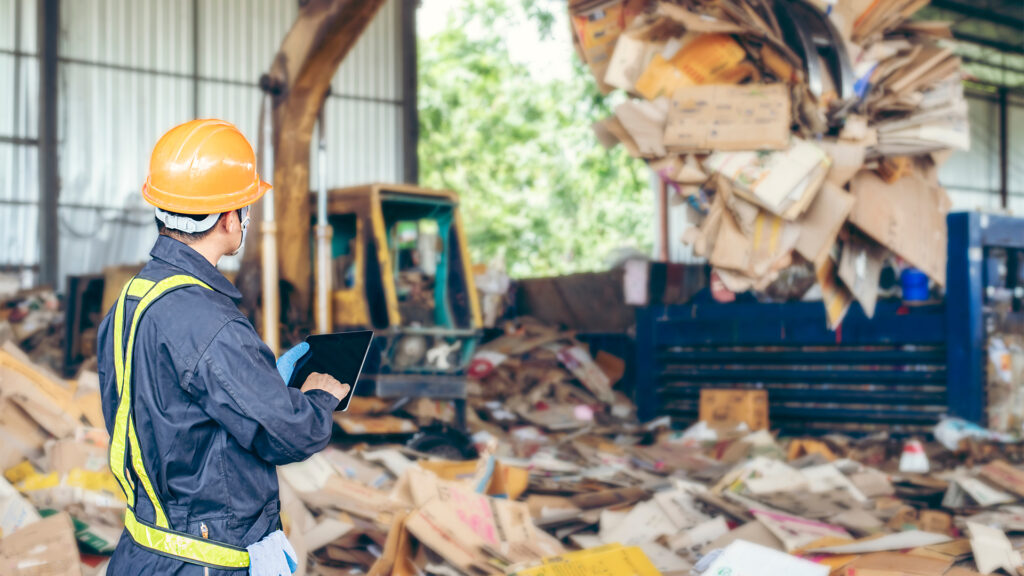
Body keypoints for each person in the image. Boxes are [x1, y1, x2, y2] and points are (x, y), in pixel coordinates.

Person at [97, 119, 349, 575]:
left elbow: (176, 410)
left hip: (141, 551)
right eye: (246, 207)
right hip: (205, 562)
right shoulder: (212, 323)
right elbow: (288, 434)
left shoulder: (129, 303)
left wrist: (257, 381)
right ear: (230, 218)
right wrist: (319, 398)